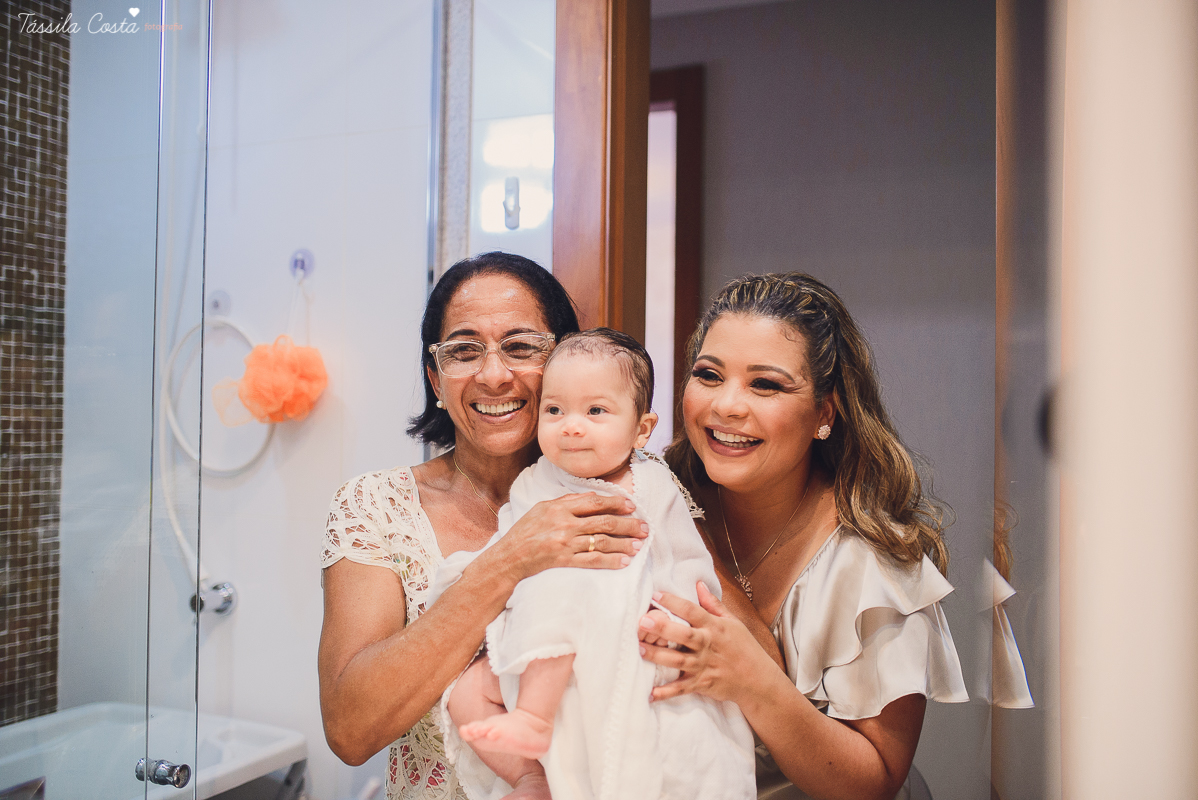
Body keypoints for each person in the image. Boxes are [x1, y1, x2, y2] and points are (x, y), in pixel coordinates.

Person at [318, 253, 648, 800]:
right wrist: (509, 560)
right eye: (465, 352)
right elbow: (350, 731)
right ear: (436, 379)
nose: (494, 375)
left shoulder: (632, 489)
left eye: (521, 347)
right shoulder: (375, 506)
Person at [638, 273, 969, 800]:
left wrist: (753, 679)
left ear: (824, 413)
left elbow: (875, 782)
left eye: (765, 384)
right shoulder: (647, 501)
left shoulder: (871, 567)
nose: (726, 406)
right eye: (708, 375)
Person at [434, 329, 755, 800]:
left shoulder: (651, 485)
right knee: (464, 693)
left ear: (642, 429)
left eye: (596, 411)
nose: (571, 426)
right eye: (554, 410)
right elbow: (506, 549)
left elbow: (686, 562)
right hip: (534, 636)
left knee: (568, 590)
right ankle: (529, 775)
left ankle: (535, 719)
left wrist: (671, 611)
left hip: (628, 632)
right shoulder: (534, 481)